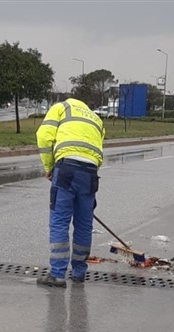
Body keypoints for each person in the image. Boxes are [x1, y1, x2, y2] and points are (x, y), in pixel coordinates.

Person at [36, 98, 105, 288]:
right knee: (84, 224)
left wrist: (49, 167)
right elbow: (98, 149)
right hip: (90, 172)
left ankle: (57, 274)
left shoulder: (61, 108)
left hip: (66, 168)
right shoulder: (95, 118)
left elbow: (44, 136)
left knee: (59, 222)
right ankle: (79, 272)